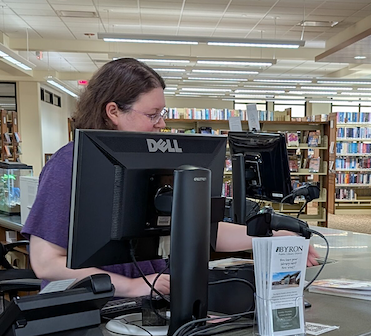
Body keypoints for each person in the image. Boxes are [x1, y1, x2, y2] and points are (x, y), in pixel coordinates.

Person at [24, 58, 317, 296]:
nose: (162, 123)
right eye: (152, 115)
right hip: (85, 307)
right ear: (113, 111)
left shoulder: (159, 162)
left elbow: (203, 229)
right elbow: (46, 262)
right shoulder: (68, 164)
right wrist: (132, 287)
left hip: (150, 300)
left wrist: (272, 236)